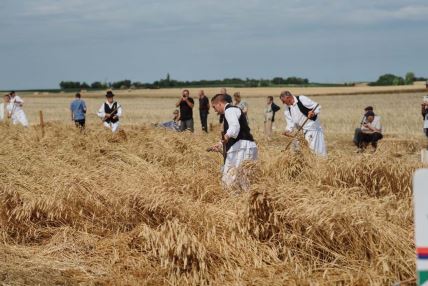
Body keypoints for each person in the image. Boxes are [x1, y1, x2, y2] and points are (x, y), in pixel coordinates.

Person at [208, 93, 258, 188]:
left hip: (242, 148)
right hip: (245, 146)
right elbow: (232, 132)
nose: (214, 110)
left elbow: (234, 127)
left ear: (219, 103)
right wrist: (219, 144)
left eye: (214, 107)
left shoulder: (229, 110)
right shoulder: (233, 110)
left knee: (231, 181)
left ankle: (236, 202)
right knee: (244, 181)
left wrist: (226, 136)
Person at [280, 90, 327, 156]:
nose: (283, 103)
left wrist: (313, 113)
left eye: (283, 101)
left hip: (312, 129)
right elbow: (290, 123)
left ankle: (320, 164)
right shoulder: (287, 109)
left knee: (314, 151)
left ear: (288, 98)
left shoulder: (301, 99)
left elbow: (317, 106)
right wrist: (288, 130)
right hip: (300, 132)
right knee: (298, 150)